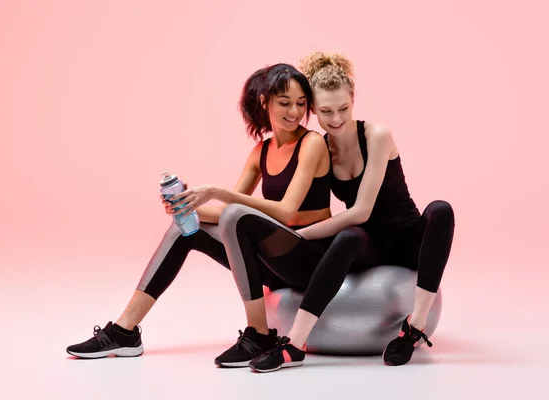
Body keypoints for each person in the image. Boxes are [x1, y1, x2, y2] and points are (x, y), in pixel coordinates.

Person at [65, 63, 333, 366]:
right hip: (276, 264)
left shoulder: (312, 143)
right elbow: (223, 214)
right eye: (285, 103)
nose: (295, 112)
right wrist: (187, 206)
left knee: (235, 215)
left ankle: (259, 334)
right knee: (185, 229)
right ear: (265, 101)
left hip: (310, 258)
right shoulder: (261, 152)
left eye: (301, 104)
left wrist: (218, 193)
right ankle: (125, 331)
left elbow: (285, 211)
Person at [214, 52, 455, 373]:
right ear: (312, 110)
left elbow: (361, 210)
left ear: (353, 101)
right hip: (373, 245)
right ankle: (294, 345)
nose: (336, 118)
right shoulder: (319, 146)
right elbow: (307, 204)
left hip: (408, 240)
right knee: (348, 238)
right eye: (326, 112)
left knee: (440, 210)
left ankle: (415, 326)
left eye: (344, 108)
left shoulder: (377, 136)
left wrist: (302, 235)